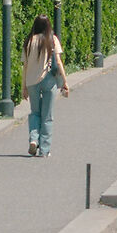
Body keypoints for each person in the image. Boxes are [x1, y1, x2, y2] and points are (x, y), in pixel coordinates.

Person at [21, 15, 70, 157]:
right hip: (48, 80)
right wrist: (65, 82)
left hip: (31, 81)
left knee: (35, 112)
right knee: (47, 115)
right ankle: (44, 149)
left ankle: (33, 140)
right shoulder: (52, 40)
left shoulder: (28, 41)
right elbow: (58, 62)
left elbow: (25, 66)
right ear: (48, 26)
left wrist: (23, 87)